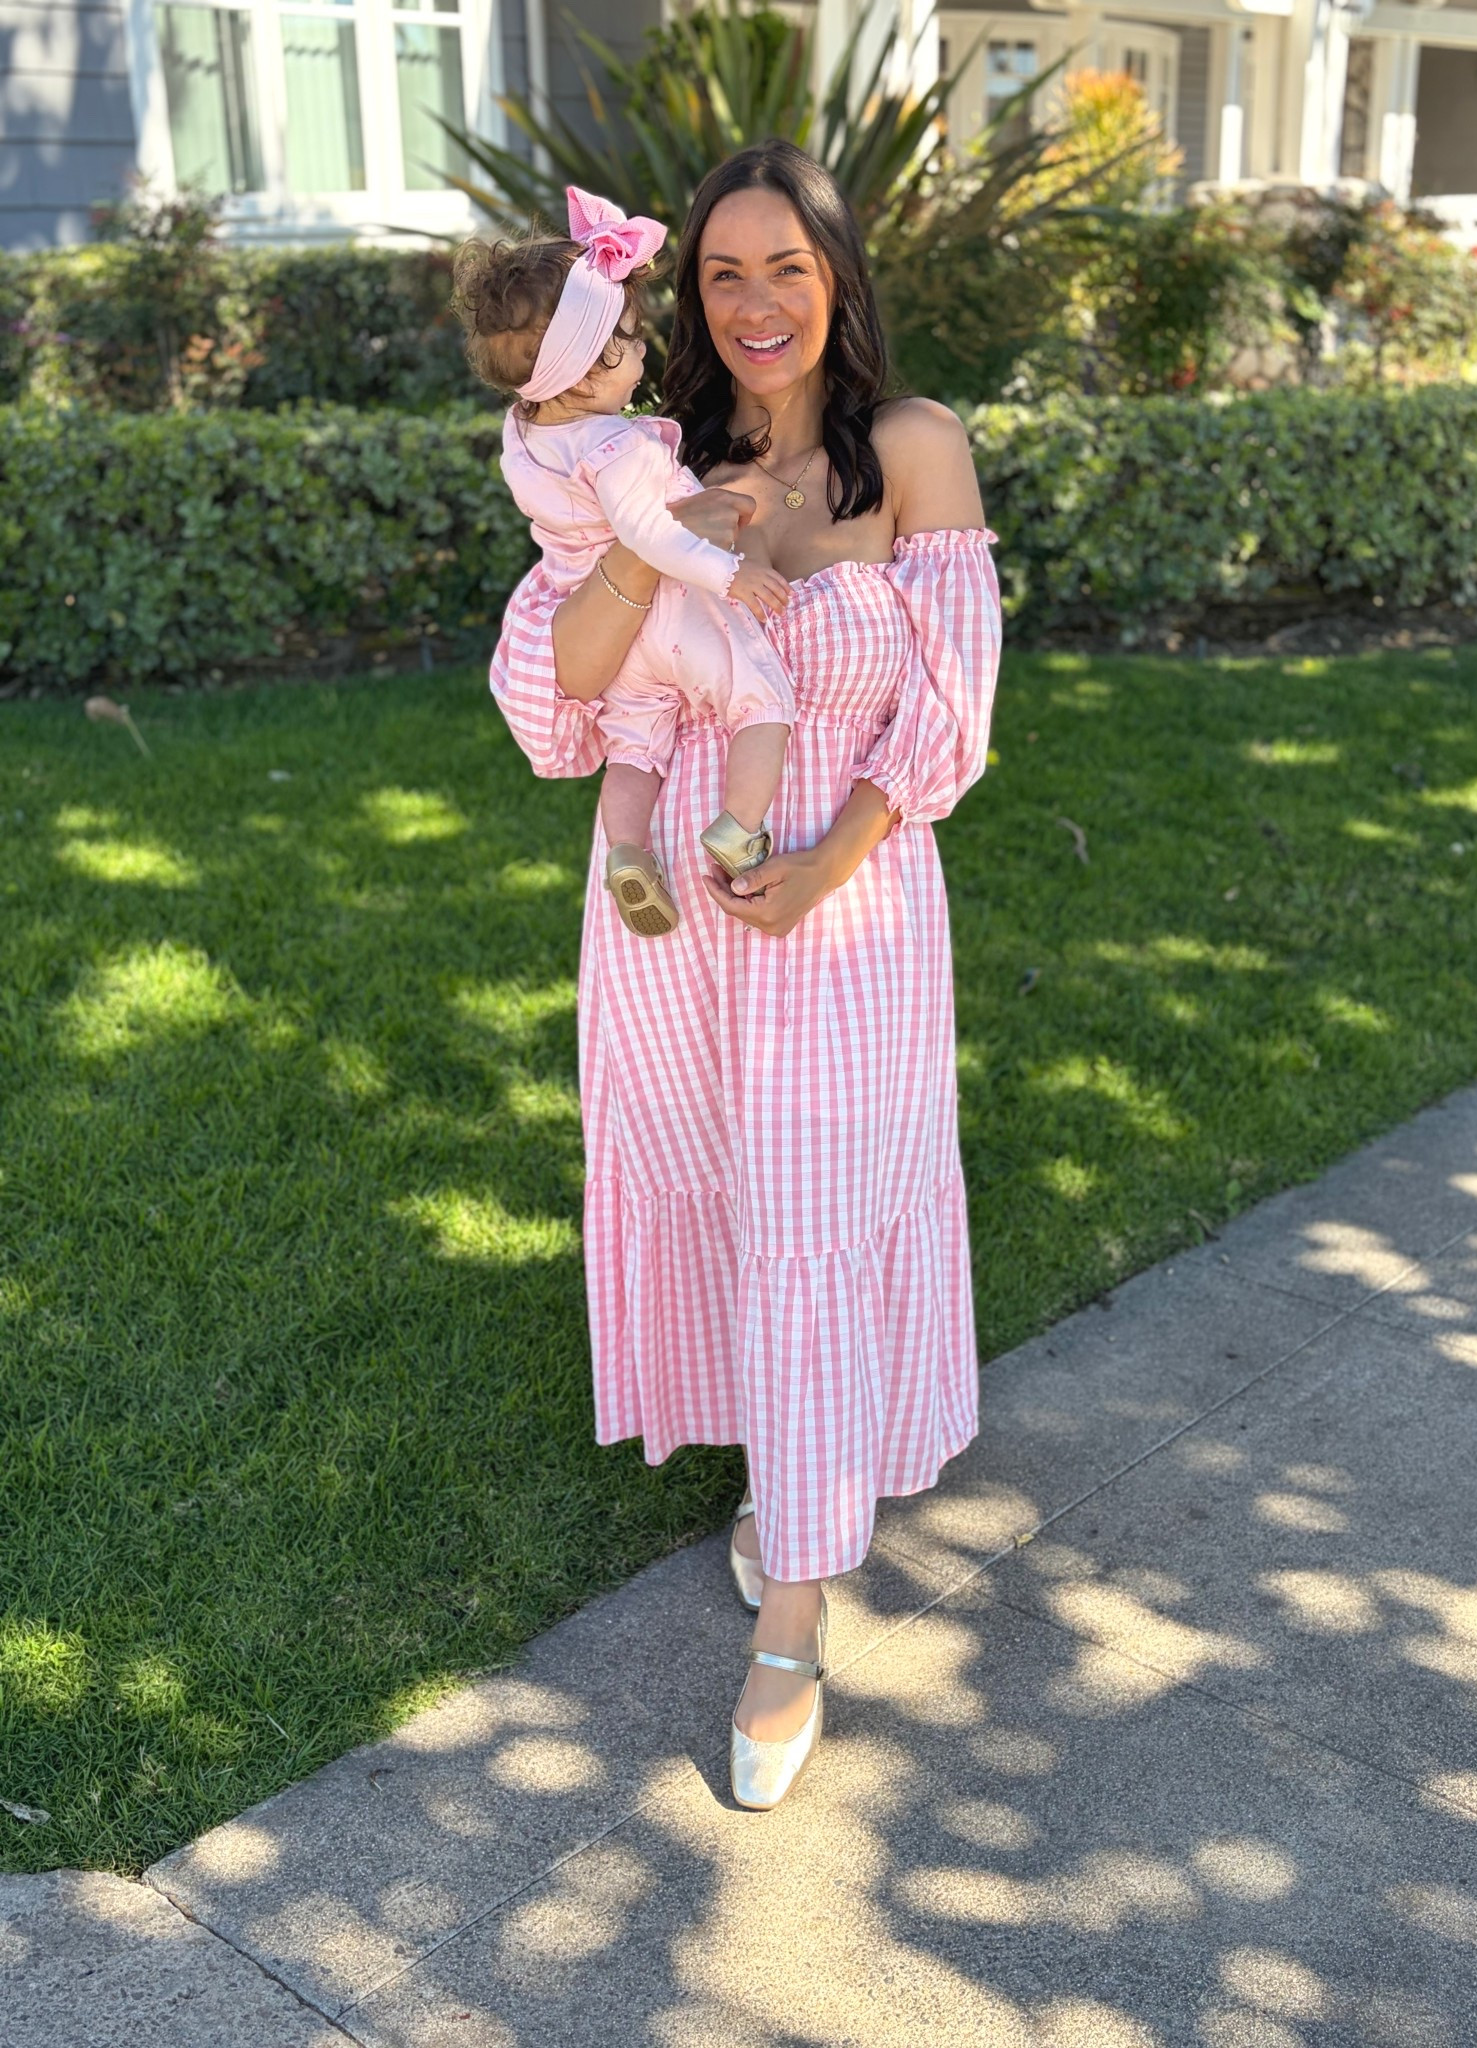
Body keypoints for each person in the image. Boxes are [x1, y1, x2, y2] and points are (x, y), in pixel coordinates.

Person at [488, 139, 1001, 1809]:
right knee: (727, 1199)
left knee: (815, 1212)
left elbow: (953, 711)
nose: (755, 301)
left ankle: (795, 1613)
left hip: (842, 911)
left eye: (787, 265)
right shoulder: (638, 452)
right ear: (685, 294)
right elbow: (565, 703)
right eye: (721, 271)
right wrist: (656, 535)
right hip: (671, 923)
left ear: (839, 275)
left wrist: (825, 863)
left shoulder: (915, 449)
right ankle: (787, 1474)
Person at [456, 188, 796, 939]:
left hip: (604, 623)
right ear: (583, 373)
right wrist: (730, 573)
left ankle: (629, 854)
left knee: (636, 748)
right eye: (633, 340)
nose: (645, 352)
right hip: (669, 608)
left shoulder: (526, 440)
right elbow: (649, 536)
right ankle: (739, 829)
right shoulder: (616, 448)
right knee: (762, 699)